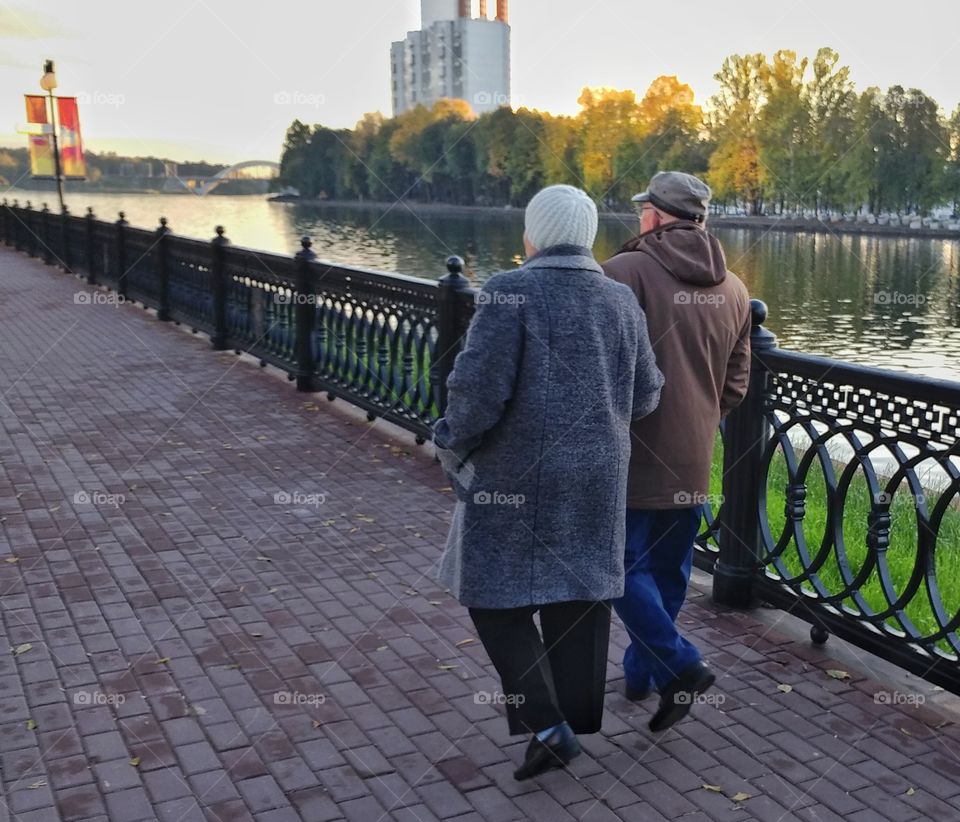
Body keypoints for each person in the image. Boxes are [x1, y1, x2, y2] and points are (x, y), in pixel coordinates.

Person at [433, 184, 663, 780]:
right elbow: (647, 393)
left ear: (532, 235)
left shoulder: (510, 290)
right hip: (599, 474)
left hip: (514, 476)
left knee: (491, 596)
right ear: (587, 237)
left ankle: (547, 724)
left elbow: (477, 392)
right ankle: (569, 721)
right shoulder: (619, 299)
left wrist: (449, 438)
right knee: (579, 594)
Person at [601, 171, 751, 733]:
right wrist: (698, 420)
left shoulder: (622, 273)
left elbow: (600, 367)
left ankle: (680, 664)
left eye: (644, 208)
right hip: (693, 457)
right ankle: (642, 672)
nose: (639, 215)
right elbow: (736, 385)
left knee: (617, 566)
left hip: (631, 453)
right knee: (668, 571)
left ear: (658, 216)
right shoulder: (735, 288)